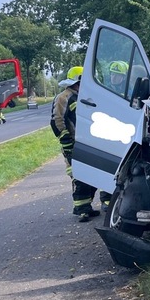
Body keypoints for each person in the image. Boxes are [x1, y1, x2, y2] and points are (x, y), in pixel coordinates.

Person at [51, 66, 110, 221]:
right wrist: (66, 143)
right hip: (75, 144)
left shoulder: (84, 96)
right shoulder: (64, 97)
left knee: (94, 174)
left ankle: (87, 207)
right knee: (80, 176)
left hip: (90, 143)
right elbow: (57, 121)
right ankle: (82, 209)